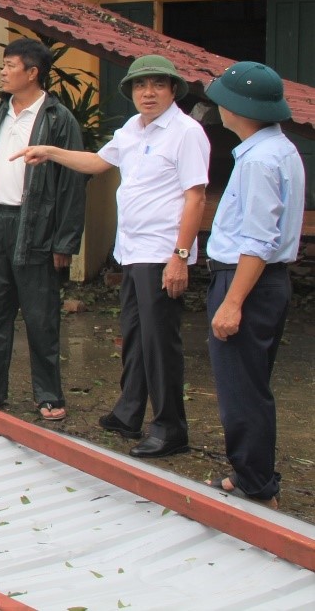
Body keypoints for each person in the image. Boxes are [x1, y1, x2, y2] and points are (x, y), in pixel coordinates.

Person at [15, 56, 209, 458]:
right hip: (133, 250)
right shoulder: (132, 130)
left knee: (160, 344)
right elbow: (98, 162)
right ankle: (129, 413)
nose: (148, 93)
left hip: (161, 252)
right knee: (136, 337)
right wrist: (50, 151)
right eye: (141, 86)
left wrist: (180, 256)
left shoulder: (186, 133)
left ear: (173, 90)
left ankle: (171, 428)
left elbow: (196, 196)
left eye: (157, 85)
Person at [200, 61, 304, 510]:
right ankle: (253, 475)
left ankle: (255, 485)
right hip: (262, 280)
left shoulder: (260, 160)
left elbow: (260, 239)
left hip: (248, 281)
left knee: (242, 388)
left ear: (236, 107)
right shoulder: (277, 150)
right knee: (250, 383)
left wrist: (233, 302)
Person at [0, 38, 86, 421]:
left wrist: (64, 241)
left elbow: (72, 184)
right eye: (3, 64)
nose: (2, 71)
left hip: (35, 227)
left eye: (10, 65)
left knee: (41, 316)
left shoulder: (57, 119)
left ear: (32, 72)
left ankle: (48, 395)